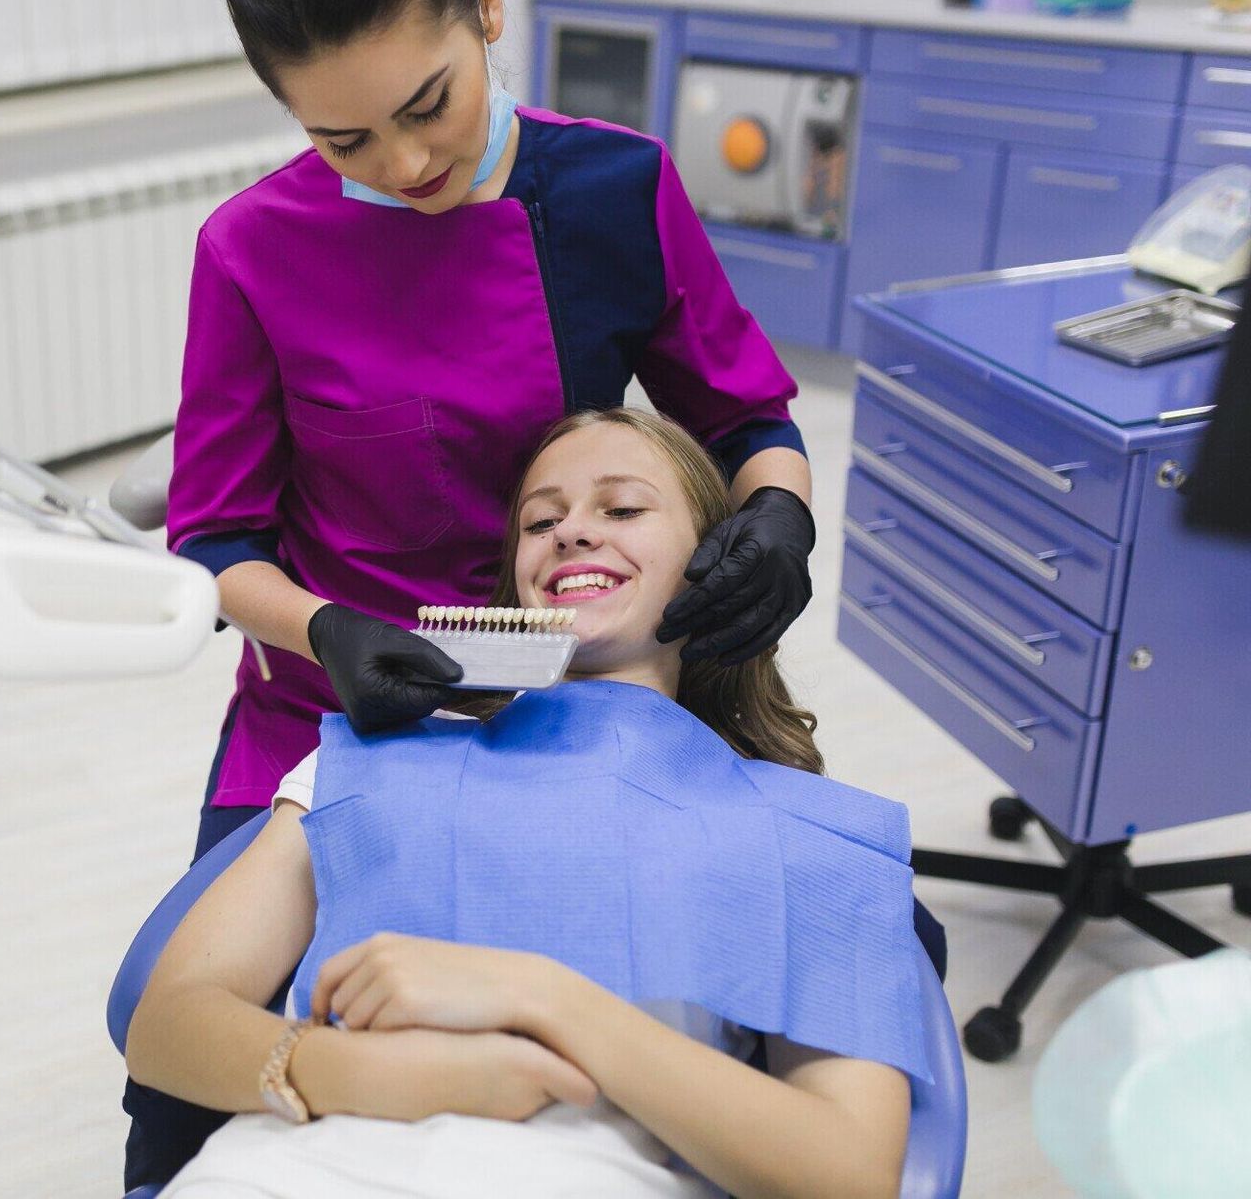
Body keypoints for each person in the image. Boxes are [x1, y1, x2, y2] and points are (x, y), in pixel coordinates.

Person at [131, 0, 870, 1187]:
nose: (408, 161)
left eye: (430, 104)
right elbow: (218, 538)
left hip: (577, 697)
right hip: (333, 715)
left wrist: (783, 514)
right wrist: (324, 631)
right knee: (176, 1105)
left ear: (486, 2)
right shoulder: (253, 249)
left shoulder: (611, 192)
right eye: (344, 138)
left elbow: (747, 415)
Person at [127, 409, 927, 1199]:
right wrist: (376, 1071)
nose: (572, 532)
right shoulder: (376, 757)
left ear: (720, 560)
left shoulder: (808, 830)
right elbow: (165, 1025)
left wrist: (541, 997)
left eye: (622, 508)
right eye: (542, 520)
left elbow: (850, 1174)